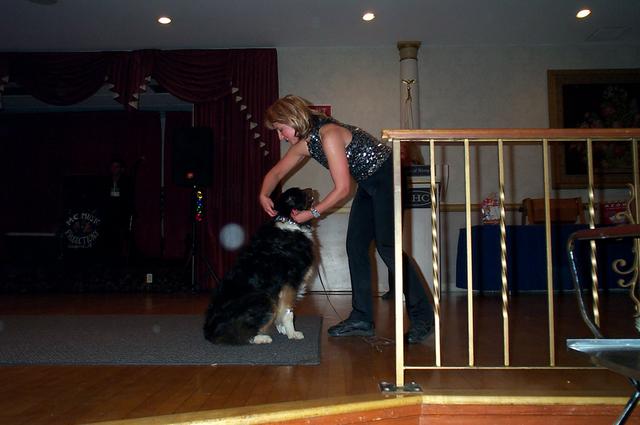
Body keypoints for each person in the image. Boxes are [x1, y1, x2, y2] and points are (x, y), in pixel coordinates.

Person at [259, 95, 434, 344]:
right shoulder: (307, 143)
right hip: (369, 183)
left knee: (387, 247)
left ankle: (423, 318)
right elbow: (276, 173)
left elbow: (342, 189)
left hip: (388, 177)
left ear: (293, 119)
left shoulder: (329, 134)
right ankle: (362, 319)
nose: (280, 137)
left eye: (280, 129)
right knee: (355, 246)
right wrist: (263, 194)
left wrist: (311, 213)